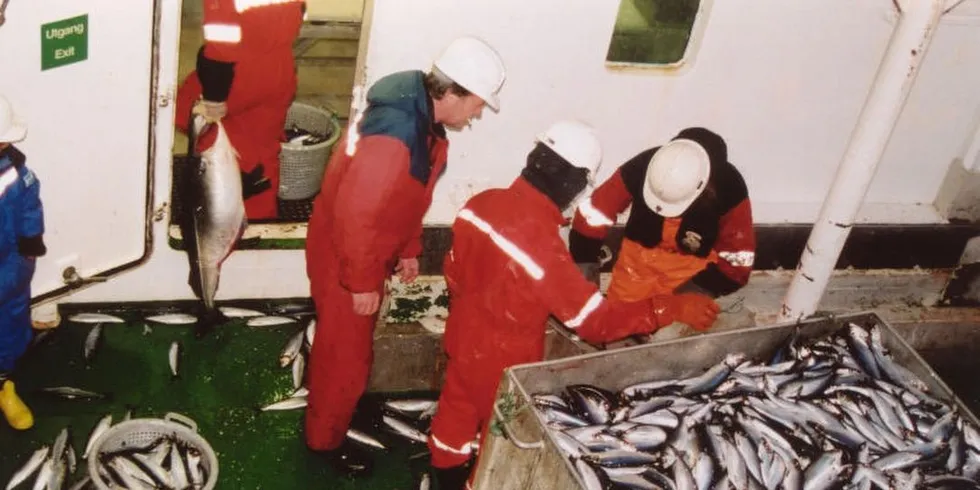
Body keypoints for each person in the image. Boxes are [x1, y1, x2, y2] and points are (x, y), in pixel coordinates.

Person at [425, 121, 720, 490]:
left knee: (456, 409)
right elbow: (594, 323)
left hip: (462, 338)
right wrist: (669, 307)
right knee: (500, 433)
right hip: (504, 366)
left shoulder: (478, 205)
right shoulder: (544, 250)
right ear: (573, 181)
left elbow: (453, 270)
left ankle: (440, 474)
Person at [303, 36, 507, 477]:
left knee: (351, 353)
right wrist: (358, 282)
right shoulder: (396, 137)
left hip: (365, 250)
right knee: (344, 357)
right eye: (477, 105)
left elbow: (404, 200)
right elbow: (357, 213)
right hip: (345, 256)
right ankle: (324, 443)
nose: (476, 116)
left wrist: (408, 249)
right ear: (451, 93)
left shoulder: (422, 121)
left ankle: (339, 412)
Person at [570, 127, 755, 306]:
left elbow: (737, 263)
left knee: (675, 331)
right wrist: (585, 267)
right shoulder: (643, 166)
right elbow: (592, 215)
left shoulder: (730, 189)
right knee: (617, 320)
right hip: (636, 264)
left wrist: (687, 300)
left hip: (692, 271)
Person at [174, 0, 306, 220]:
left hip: (239, 72)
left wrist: (214, 99)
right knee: (262, 142)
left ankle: (230, 220)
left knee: (216, 141)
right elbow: (299, 10)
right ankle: (261, 217)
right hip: (279, 63)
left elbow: (221, 43)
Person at [0, 95, 46, 431]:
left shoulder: (19, 173)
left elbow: (31, 205)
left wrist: (31, 240)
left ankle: (4, 384)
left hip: (12, 265)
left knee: (12, 323)